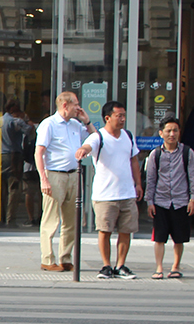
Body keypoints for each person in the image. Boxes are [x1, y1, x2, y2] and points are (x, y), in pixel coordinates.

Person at [75, 101, 143, 280]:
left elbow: (134, 160)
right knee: (104, 230)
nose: (122, 119)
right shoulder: (99, 137)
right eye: (118, 116)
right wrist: (83, 150)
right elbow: (88, 145)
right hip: (105, 194)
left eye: (123, 115)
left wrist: (138, 184)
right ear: (107, 118)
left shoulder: (128, 136)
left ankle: (120, 265)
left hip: (127, 192)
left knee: (126, 231)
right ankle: (106, 265)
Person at [35, 91, 96, 271]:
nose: (78, 107)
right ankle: (47, 259)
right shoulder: (49, 124)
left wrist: (87, 121)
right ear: (65, 105)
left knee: (71, 220)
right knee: (51, 219)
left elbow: (95, 138)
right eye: (75, 104)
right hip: (55, 175)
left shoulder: (76, 125)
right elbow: (39, 152)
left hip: (74, 174)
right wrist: (43, 179)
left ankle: (66, 257)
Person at [144, 116, 194, 279]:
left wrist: (192, 198)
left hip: (181, 201)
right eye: (168, 131)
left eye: (175, 130)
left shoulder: (187, 152)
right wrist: (150, 202)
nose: (172, 134)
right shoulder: (156, 154)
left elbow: (193, 177)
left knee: (179, 238)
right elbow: (151, 179)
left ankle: (175, 266)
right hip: (160, 201)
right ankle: (159, 268)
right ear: (161, 133)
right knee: (159, 238)